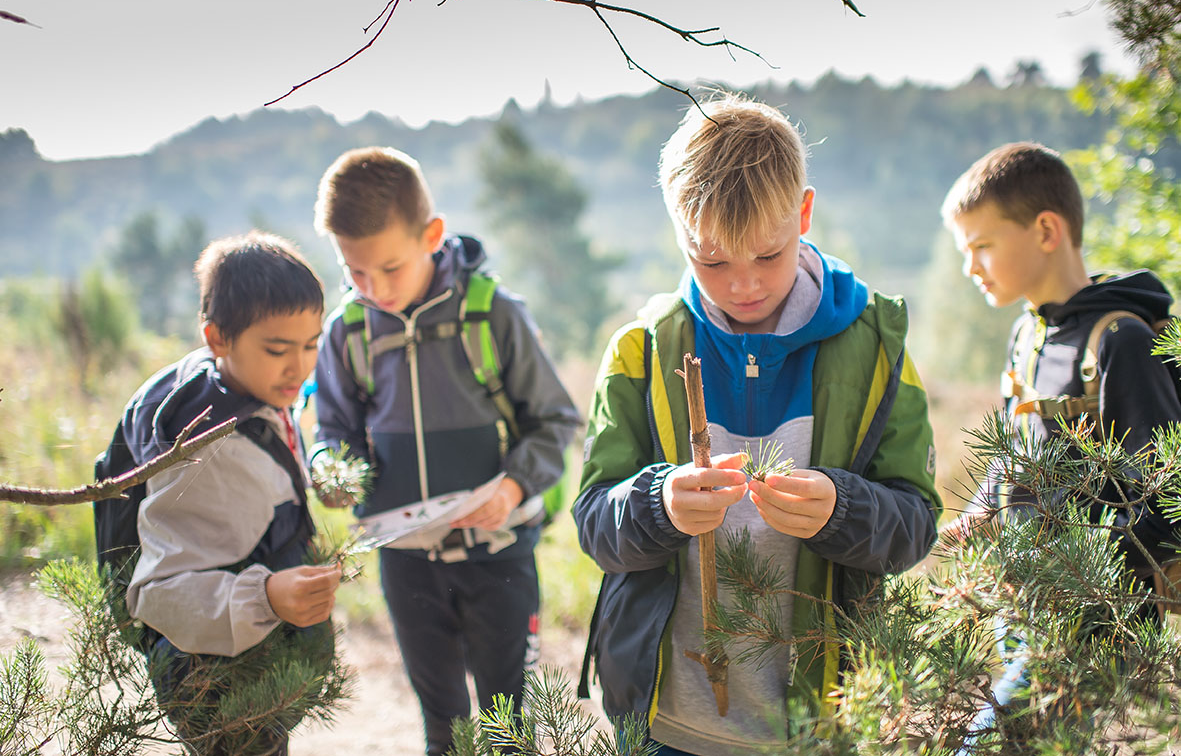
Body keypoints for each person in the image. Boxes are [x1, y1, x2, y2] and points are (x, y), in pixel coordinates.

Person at [573, 93, 941, 755]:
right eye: (710, 261)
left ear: (802, 212)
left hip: (819, 725)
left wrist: (844, 510)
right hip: (667, 724)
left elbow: (913, 526)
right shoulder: (642, 349)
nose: (741, 284)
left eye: (767, 256)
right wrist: (656, 506)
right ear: (677, 228)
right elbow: (595, 525)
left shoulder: (875, 349)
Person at [310, 146, 580, 756]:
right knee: (444, 727)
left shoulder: (492, 314)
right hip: (406, 562)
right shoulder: (346, 331)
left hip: (499, 554)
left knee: (508, 729)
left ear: (431, 235)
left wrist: (512, 488)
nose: (373, 289)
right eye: (355, 273)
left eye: (390, 268)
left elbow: (555, 421)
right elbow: (334, 433)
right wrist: (331, 471)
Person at [942, 142, 1181, 745]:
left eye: (982, 246)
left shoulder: (1120, 341)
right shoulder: (1026, 336)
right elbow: (1011, 454)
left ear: (1046, 230)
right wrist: (980, 515)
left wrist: (1090, 568)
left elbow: (1168, 493)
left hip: (1094, 621)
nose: (971, 267)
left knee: (986, 744)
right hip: (1024, 609)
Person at [122, 232, 340, 753]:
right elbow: (158, 593)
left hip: (255, 676)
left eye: (311, 345)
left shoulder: (253, 392)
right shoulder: (199, 450)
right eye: (277, 349)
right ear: (217, 338)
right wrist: (266, 596)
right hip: (218, 690)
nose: (299, 367)